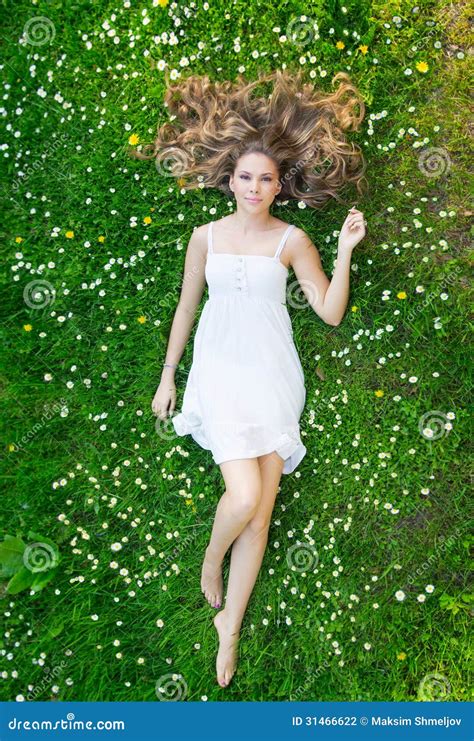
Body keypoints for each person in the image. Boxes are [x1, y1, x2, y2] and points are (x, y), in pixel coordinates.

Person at [133, 68, 368, 689]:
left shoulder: (292, 239)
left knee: (261, 517)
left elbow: (330, 311)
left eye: (266, 179)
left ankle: (229, 624)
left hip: (273, 375)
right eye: (246, 177)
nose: (255, 187)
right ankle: (211, 563)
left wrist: (343, 253)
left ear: (278, 186)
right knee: (241, 499)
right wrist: (167, 378)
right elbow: (186, 308)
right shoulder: (204, 237)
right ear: (229, 181)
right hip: (219, 371)